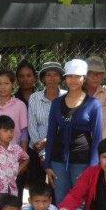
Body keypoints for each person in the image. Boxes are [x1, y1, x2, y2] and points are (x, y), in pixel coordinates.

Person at [45, 59, 103, 203]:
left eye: (78, 76)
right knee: (60, 201)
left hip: (82, 161)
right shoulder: (56, 103)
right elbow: (51, 134)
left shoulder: (93, 104)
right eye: (70, 76)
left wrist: (92, 167)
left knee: (80, 202)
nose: (73, 80)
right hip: (58, 161)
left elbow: (97, 137)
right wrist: (47, 164)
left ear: (84, 79)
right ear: (65, 78)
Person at [27, 62, 67, 191]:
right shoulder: (34, 98)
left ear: (61, 78)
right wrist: (42, 152)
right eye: (48, 75)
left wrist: (48, 141)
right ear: (43, 78)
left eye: (55, 75)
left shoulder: (67, 97)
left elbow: (66, 125)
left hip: (60, 148)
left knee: (57, 187)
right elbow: (32, 125)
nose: (52, 78)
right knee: (37, 189)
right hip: (37, 149)